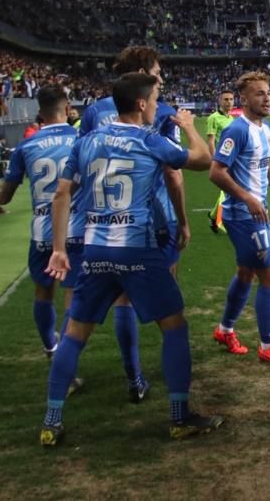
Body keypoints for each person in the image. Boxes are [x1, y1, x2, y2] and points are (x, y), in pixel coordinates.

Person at [40, 73, 221, 446]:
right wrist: (188, 127)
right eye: (155, 98)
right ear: (141, 104)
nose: (157, 104)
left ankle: (51, 421)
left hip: (95, 249)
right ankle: (179, 416)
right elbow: (203, 160)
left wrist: (59, 249)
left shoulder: (86, 141)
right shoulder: (149, 140)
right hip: (137, 248)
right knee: (174, 326)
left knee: (74, 334)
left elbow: (61, 195)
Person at [77, 47, 185, 399]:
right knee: (170, 307)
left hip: (106, 221)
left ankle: (133, 377)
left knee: (123, 299)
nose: (162, 77)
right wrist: (183, 220)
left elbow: (80, 164)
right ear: (143, 74)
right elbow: (175, 172)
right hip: (153, 217)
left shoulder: (94, 111)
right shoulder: (163, 111)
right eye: (157, 71)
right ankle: (175, 383)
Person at [0, 86, 84, 384]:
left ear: (39, 113)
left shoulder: (27, 146)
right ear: (67, 109)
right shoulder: (82, 140)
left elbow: (3, 197)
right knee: (72, 301)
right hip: (77, 230)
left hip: (42, 233)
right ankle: (66, 369)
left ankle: (50, 348)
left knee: (43, 293)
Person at [210, 72, 270, 366]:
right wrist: (247, 197)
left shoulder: (266, 127)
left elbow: (264, 161)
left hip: (256, 211)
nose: (267, 98)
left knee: (246, 274)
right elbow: (216, 171)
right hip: (242, 215)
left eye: (268, 92)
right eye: (259, 93)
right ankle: (268, 345)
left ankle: (225, 329)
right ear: (244, 99)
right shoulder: (237, 130)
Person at [205, 90, 235, 235]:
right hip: (221, 160)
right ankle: (219, 220)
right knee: (227, 189)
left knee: (227, 190)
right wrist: (214, 160)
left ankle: (213, 216)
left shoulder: (232, 119)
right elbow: (210, 141)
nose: (229, 102)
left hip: (232, 160)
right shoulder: (213, 118)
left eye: (231, 99)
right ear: (220, 101)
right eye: (226, 99)